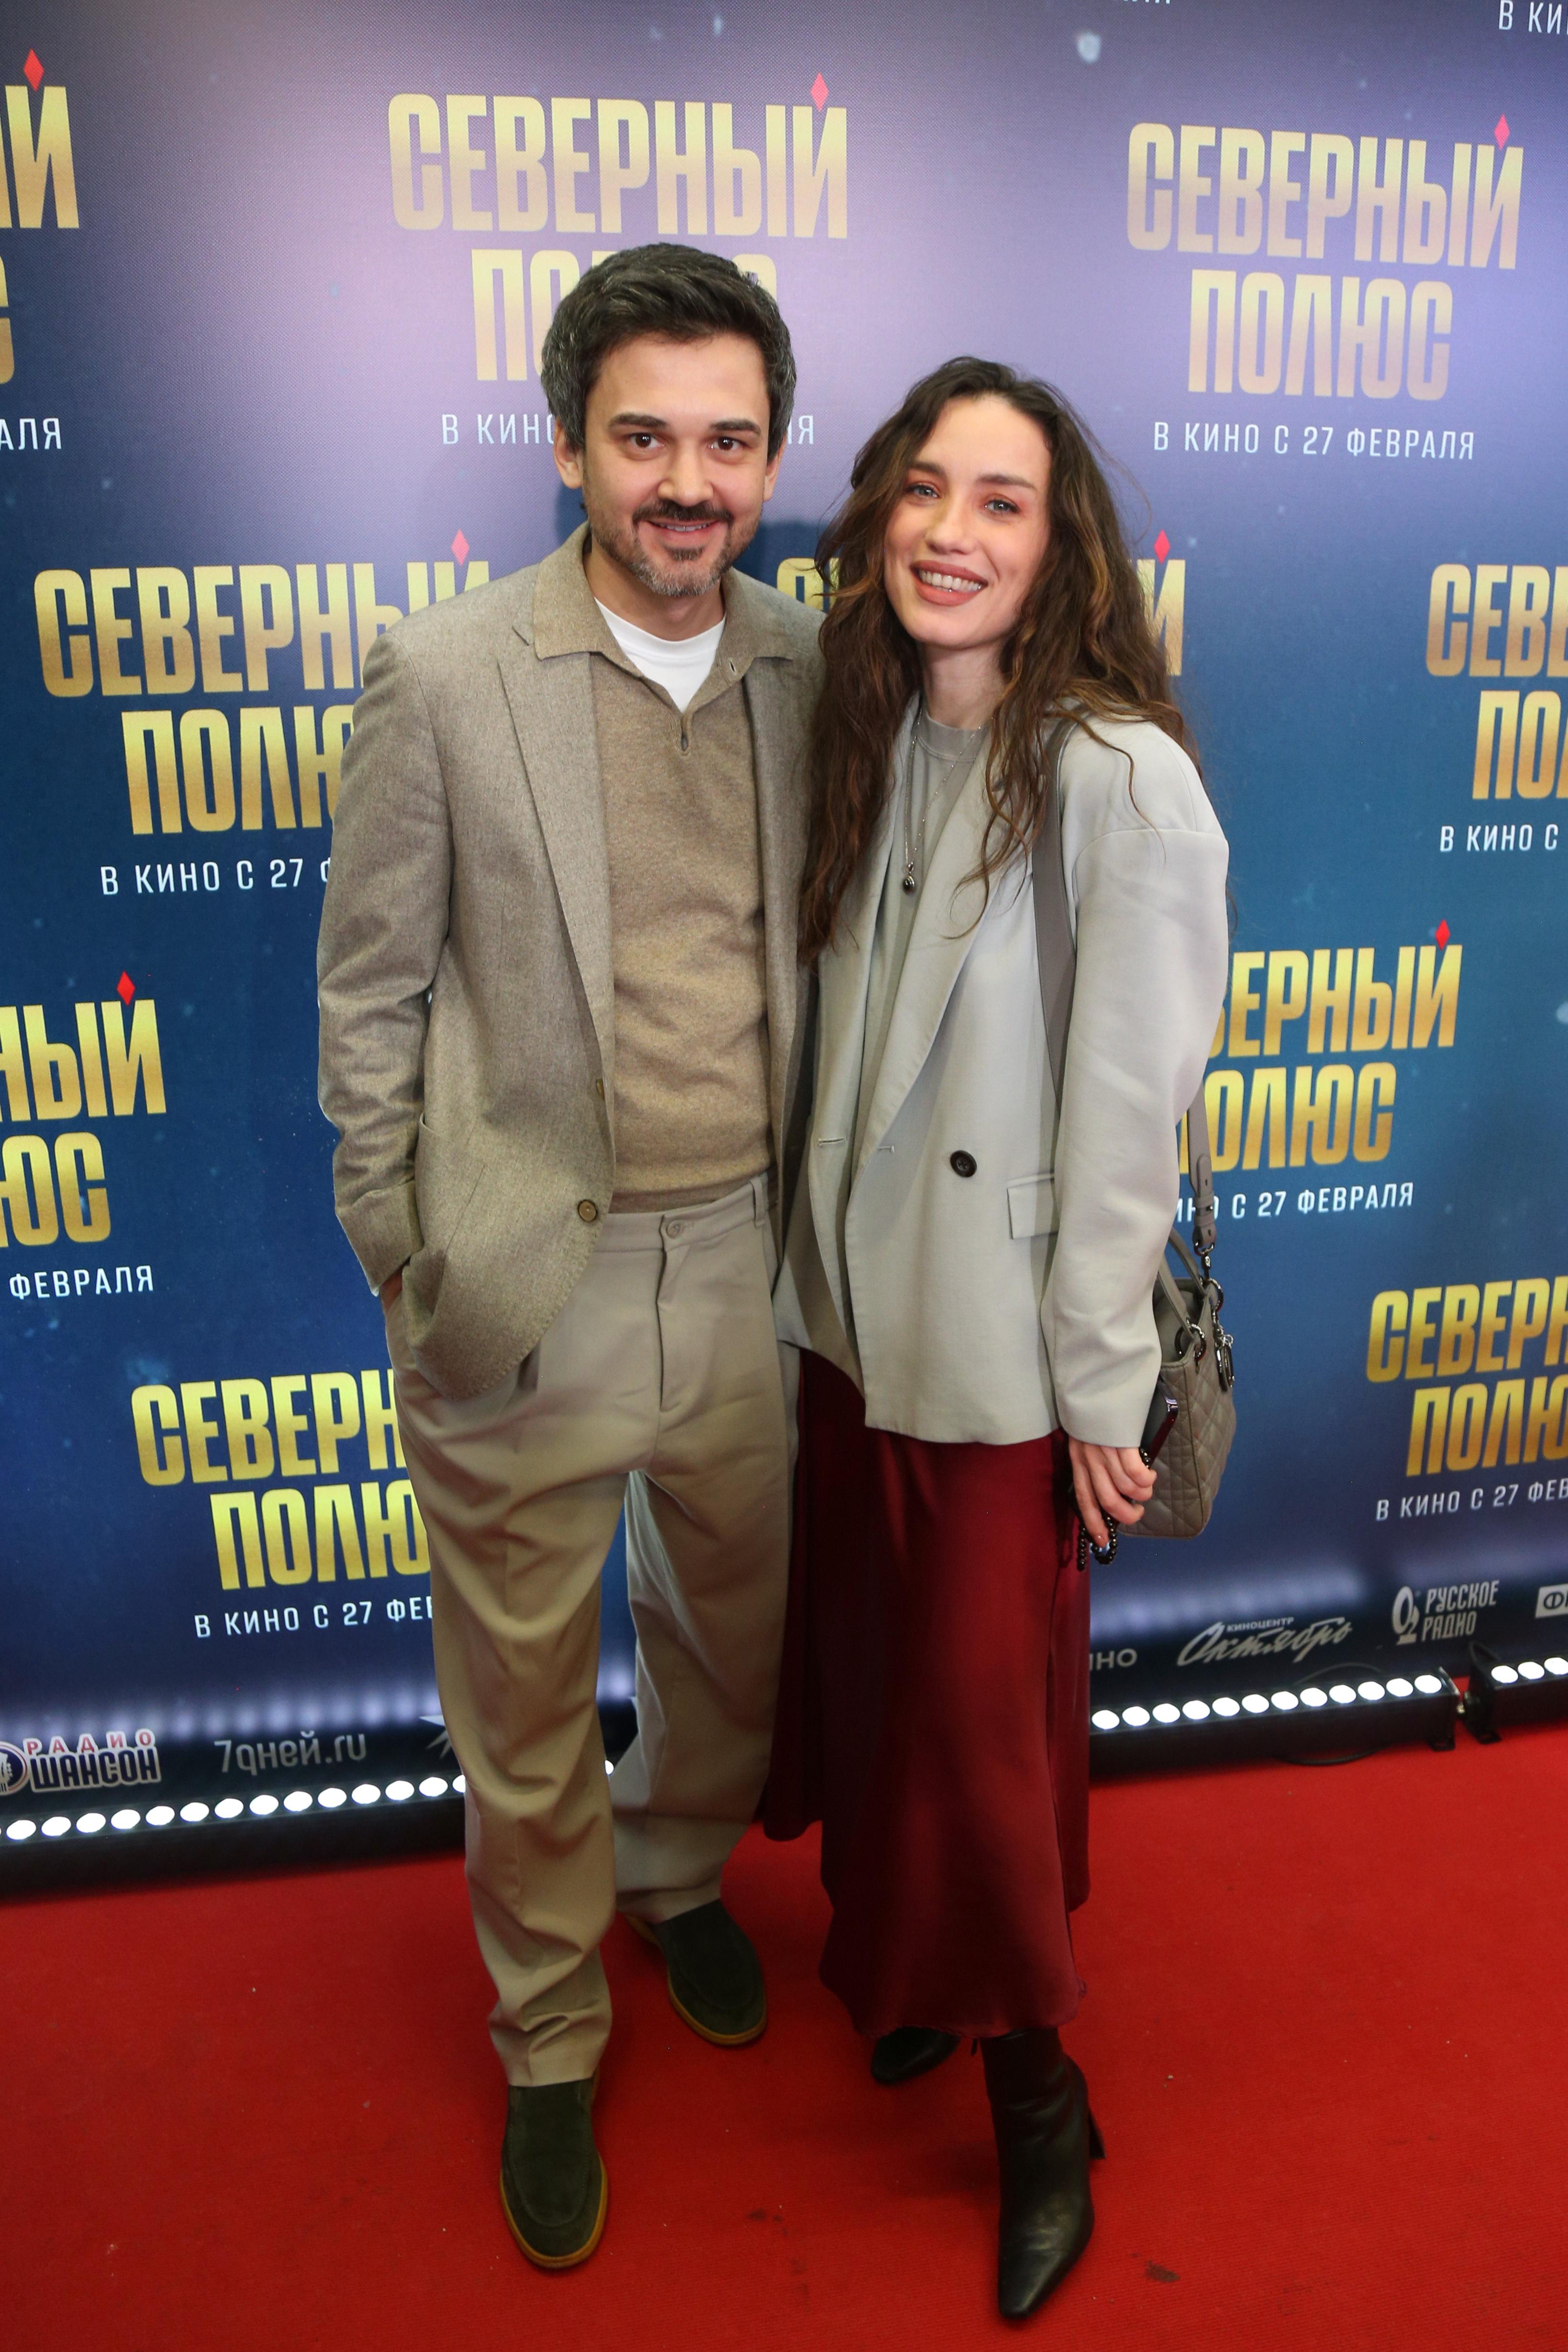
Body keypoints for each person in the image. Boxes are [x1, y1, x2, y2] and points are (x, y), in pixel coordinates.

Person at [317, 245, 822, 2272]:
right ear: (565, 447)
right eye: (644, 439)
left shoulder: (816, 662)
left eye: (728, 441)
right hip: (530, 1282)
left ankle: (675, 1866)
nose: (687, 482)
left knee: (732, 1645)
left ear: (770, 457)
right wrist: (403, 1250)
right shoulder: (444, 675)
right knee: (520, 1694)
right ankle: (547, 2023)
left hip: (758, 1272)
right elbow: (370, 993)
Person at [766, 359, 1229, 2320]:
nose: (950, 531)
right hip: (846, 1326)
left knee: (975, 1735)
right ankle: (911, 1979)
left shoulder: (1120, 777)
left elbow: (1131, 1124)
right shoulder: (866, 724)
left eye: (1002, 501)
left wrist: (1100, 1387)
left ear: (1062, 553)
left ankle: (1039, 2093)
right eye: (925, 489)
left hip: (999, 1354)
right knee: (879, 1684)